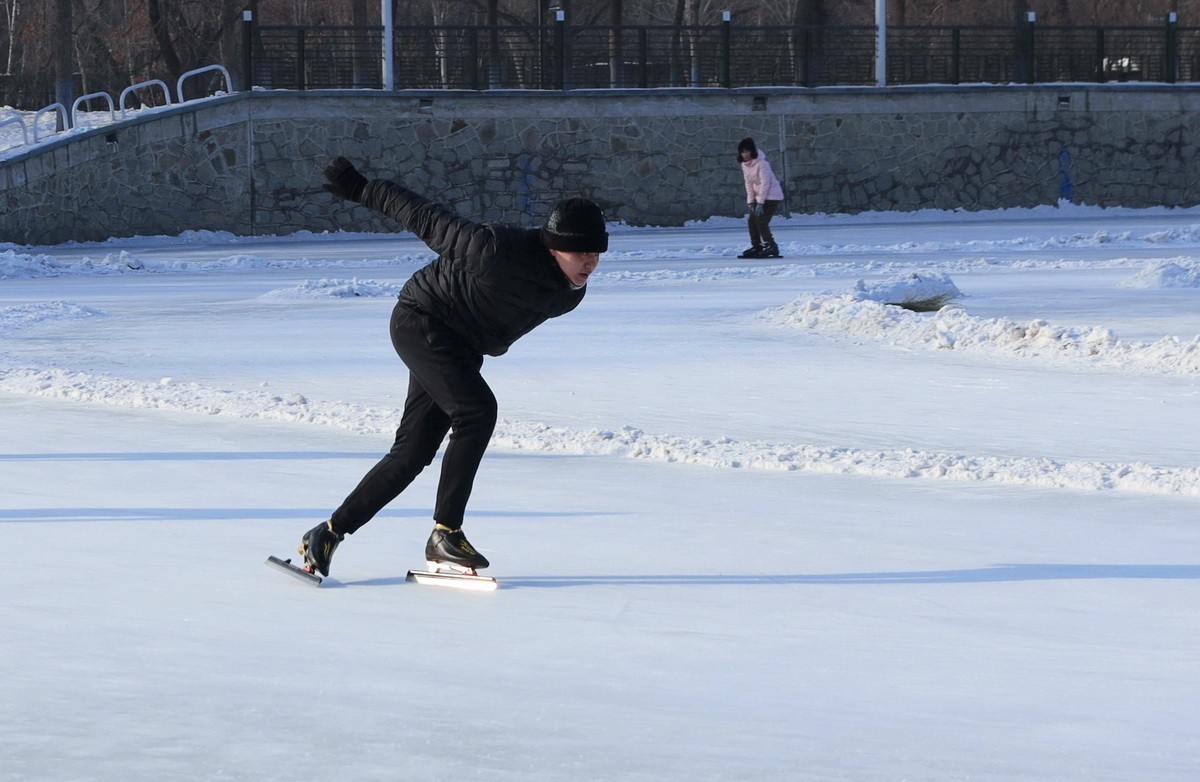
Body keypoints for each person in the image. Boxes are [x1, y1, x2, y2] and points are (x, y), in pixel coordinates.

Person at [297, 156, 608, 578]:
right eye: (580, 252)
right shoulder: (495, 250)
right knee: (476, 411)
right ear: (554, 246)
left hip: (460, 347)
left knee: (412, 452)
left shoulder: (570, 294)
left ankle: (328, 532)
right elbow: (426, 217)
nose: (590, 262)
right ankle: (446, 532)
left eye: (596, 253)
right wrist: (362, 189)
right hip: (422, 319)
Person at [736, 137, 785, 259]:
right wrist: (751, 202)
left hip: (772, 196)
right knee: (751, 221)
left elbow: (765, 183)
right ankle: (757, 246)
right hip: (760, 197)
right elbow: (749, 183)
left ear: (752, 151)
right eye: (742, 152)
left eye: (747, 151)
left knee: (761, 221)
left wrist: (760, 203)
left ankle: (771, 246)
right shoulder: (745, 165)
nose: (745, 154)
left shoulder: (762, 164)